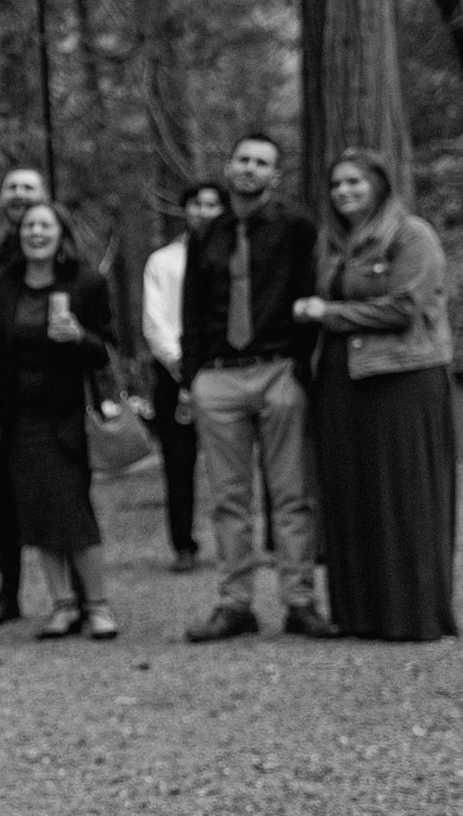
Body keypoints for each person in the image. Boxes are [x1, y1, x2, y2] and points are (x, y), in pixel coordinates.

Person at [297, 148, 456, 641]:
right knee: (353, 495)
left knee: (404, 495)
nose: (343, 192)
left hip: (404, 380)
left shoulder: (412, 235)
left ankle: (413, 615)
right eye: (336, 184)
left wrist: (328, 314)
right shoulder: (333, 243)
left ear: (380, 185)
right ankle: (359, 614)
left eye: (355, 182)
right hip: (343, 382)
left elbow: (405, 308)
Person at [181, 132, 329, 642]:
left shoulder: (296, 229)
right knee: (229, 498)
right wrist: (194, 376)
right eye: (242, 158)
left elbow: (312, 293)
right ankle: (235, 602)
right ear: (228, 167)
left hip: (277, 371)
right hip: (218, 377)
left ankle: (300, 600)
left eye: (261, 162)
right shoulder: (206, 233)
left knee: (291, 495)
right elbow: (192, 309)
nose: (249, 168)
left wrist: (299, 368)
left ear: (275, 175)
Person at [0, 204, 119, 639]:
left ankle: (98, 604)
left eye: (45, 226)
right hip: (18, 417)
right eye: (29, 226)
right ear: (19, 235)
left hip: (68, 413)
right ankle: (62, 604)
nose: (36, 232)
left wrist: (79, 336)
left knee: (73, 508)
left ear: (61, 235)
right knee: (35, 510)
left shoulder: (87, 283)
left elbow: (107, 349)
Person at [0, 167, 50, 625]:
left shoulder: (67, 258)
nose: (19, 195)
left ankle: (78, 592)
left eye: (28, 188)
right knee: (8, 502)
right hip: (7, 399)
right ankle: (8, 591)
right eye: (11, 187)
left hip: (53, 394)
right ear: (1, 200)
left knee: (63, 493)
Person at [141, 182, 226, 574]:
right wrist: (180, 365)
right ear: (185, 209)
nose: (205, 211)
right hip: (175, 371)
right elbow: (154, 321)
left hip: (224, 368)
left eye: (213, 204)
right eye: (197, 203)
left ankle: (240, 541)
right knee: (178, 462)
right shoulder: (163, 261)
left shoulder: (234, 254)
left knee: (232, 461)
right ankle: (183, 543)